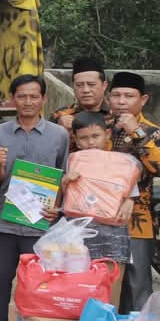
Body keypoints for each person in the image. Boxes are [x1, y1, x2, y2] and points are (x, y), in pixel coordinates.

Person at [0, 74, 68, 321]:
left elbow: (63, 176)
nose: (27, 102)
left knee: (38, 280)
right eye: (21, 96)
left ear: (43, 99)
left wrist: (56, 208)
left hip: (40, 223)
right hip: (5, 220)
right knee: (0, 276)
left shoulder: (59, 135)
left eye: (33, 96)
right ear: (13, 99)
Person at [64, 111, 135, 308]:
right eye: (84, 138)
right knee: (79, 280)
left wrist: (130, 200)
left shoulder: (123, 162)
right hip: (79, 231)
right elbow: (60, 200)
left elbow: (130, 194)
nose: (90, 142)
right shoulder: (71, 160)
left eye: (95, 136)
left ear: (107, 135)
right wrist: (65, 182)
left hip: (113, 233)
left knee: (113, 281)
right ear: (76, 140)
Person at [107, 71, 160, 312]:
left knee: (137, 283)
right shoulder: (102, 127)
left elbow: (157, 167)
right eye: (116, 95)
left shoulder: (152, 130)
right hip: (103, 216)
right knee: (107, 281)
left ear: (143, 99)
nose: (121, 101)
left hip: (139, 220)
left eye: (129, 96)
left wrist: (135, 131)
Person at [51, 56, 112, 147]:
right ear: (73, 86)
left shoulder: (116, 115)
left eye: (91, 85)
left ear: (104, 85)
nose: (85, 90)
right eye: (79, 85)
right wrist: (59, 131)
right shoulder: (61, 116)